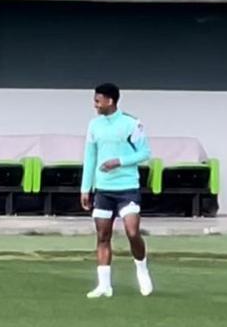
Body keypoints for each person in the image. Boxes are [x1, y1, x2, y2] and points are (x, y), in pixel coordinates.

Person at [80, 83, 153, 298]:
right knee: (103, 236)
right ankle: (104, 285)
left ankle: (142, 269)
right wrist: (86, 188)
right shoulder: (94, 126)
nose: (95, 105)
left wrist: (119, 161)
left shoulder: (132, 124)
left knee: (132, 231)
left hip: (127, 188)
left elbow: (145, 153)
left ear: (110, 101)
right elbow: (90, 157)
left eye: (98, 100)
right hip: (103, 190)